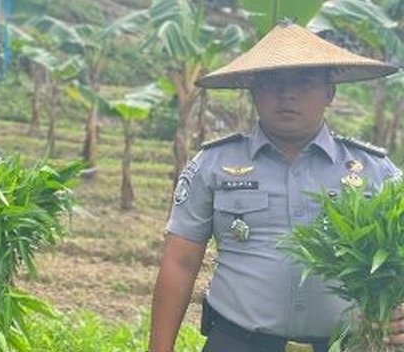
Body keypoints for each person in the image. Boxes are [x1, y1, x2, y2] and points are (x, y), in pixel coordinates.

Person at [149, 20, 404, 352]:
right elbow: (180, 262)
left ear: (330, 93)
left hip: (348, 344)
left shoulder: (375, 171)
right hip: (238, 342)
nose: (288, 94)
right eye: (273, 82)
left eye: (304, 81)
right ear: (254, 92)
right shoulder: (212, 165)